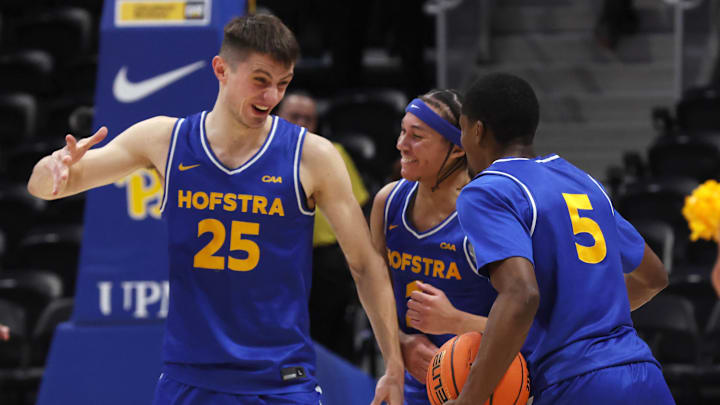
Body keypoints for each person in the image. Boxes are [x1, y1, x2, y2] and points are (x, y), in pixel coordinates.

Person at [27, 14, 403, 405]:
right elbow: (48, 186)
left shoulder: (312, 156)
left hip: (280, 380)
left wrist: (393, 365)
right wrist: (53, 166)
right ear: (221, 69)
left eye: (283, 84)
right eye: (260, 80)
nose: (272, 97)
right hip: (190, 378)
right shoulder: (165, 139)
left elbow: (364, 264)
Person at [445, 73, 674, 405]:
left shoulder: (487, 190)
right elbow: (654, 277)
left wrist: (470, 399)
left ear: (477, 130)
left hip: (575, 384)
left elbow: (521, 295)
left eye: (462, 130)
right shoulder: (582, 181)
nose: (462, 144)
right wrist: (587, 312)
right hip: (643, 374)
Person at [369, 89, 497, 405]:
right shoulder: (388, 203)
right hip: (412, 383)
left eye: (417, 136)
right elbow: (374, 295)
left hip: (482, 385)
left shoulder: (487, 215)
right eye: (402, 131)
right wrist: (399, 343)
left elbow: (529, 325)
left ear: (455, 149)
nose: (401, 144)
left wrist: (455, 320)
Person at [277, 91, 370, 361]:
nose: (302, 124)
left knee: (329, 344)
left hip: (324, 263)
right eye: (295, 117)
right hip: (277, 259)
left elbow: (358, 209)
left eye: (309, 119)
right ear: (278, 117)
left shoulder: (333, 154)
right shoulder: (260, 156)